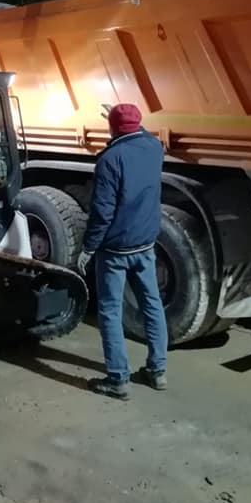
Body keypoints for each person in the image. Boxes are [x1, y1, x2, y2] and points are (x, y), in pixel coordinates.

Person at [78, 102, 168, 399]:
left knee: (110, 311)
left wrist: (88, 248)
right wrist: (121, 123)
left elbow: (102, 212)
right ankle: (157, 371)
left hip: (115, 251)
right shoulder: (155, 148)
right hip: (145, 244)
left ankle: (118, 379)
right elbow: (137, 137)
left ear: (113, 127)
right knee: (152, 304)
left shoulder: (110, 159)